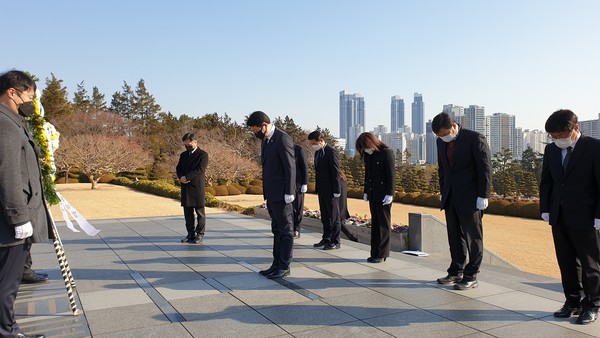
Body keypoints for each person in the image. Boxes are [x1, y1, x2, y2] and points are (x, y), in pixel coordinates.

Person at [540, 109, 600, 325]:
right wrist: (546, 208)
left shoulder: (594, 148)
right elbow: (547, 181)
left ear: (575, 128)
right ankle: (572, 301)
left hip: (587, 216)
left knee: (590, 263)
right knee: (566, 261)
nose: (557, 140)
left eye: (560, 136)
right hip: (559, 214)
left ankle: (592, 304)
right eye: (553, 137)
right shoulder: (551, 150)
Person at [0, 70, 48, 338]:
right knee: (6, 283)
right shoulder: (4, 124)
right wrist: (19, 217)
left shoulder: (14, 121)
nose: (31, 101)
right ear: (12, 92)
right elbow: (7, 174)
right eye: (29, 95)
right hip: (10, 222)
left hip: (13, 216)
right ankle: (6, 332)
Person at [431, 112, 491, 290]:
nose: (443, 138)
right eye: (439, 136)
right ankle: (456, 271)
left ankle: (471, 275)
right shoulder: (440, 142)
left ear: (454, 126)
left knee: (473, 237)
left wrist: (483, 195)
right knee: (454, 237)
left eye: (444, 134)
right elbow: (443, 169)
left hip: (471, 197)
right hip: (451, 196)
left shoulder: (474, 138)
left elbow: (485, 168)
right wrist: (443, 191)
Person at [247, 111, 295, 279]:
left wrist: (289, 192)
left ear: (264, 125)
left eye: (255, 130)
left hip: (282, 194)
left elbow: (290, 167)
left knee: (286, 231)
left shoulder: (283, 138)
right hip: (272, 194)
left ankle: (284, 265)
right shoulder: (267, 140)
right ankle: (276, 264)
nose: (255, 133)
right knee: (276, 230)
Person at [355, 132, 395, 263]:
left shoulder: (386, 153)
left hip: (384, 195)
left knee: (383, 224)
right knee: (375, 224)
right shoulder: (368, 155)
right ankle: (374, 252)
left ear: (372, 143)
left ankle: (382, 253)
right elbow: (368, 174)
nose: (365, 150)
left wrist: (390, 193)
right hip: (373, 193)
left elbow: (391, 175)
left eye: (365, 147)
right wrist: (366, 191)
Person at [308, 131, 342, 250]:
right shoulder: (318, 153)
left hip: (331, 189)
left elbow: (335, 172)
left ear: (321, 140)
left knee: (334, 216)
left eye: (314, 143)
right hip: (322, 189)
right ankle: (326, 238)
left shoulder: (331, 152)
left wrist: (337, 189)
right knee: (325, 216)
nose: (313, 145)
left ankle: (335, 241)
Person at [176, 133, 208, 244]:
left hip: (197, 186)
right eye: (185, 145)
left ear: (195, 142)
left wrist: (188, 177)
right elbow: (178, 168)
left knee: (200, 213)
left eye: (189, 144)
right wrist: (181, 177)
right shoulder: (183, 155)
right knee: (187, 213)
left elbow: (200, 169)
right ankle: (190, 234)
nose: (187, 146)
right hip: (185, 186)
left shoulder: (203, 155)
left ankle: (200, 234)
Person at [292, 144, 308, 238]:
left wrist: (304, 183)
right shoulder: (280, 148)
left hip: (298, 183)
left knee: (298, 207)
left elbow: (304, 167)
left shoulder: (299, 149)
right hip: (286, 183)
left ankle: (296, 229)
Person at [339, 170, 358, 242]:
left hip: (338, 204)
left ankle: (351, 236)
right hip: (342, 204)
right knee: (339, 222)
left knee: (338, 222)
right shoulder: (343, 178)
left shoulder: (338, 179)